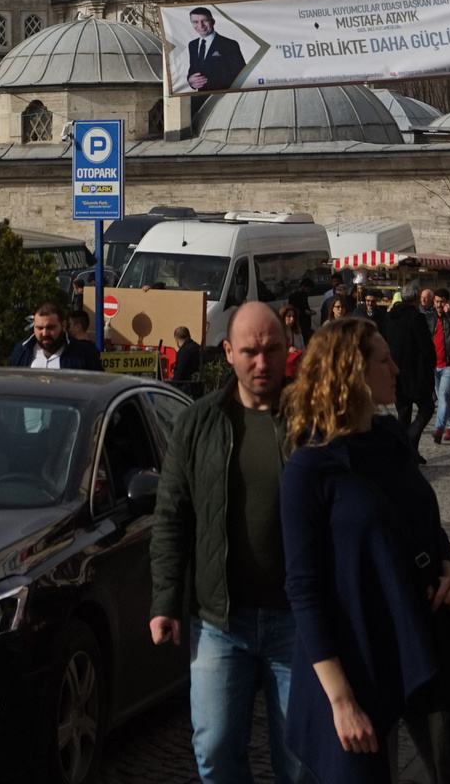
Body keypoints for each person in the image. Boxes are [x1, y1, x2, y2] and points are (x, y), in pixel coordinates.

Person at [281, 316, 450, 784]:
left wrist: (449, 570)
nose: (397, 370)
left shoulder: (391, 440)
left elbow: (424, 524)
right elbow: (305, 590)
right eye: (384, 360)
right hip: (354, 654)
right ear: (352, 372)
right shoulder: (309, 469)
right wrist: (341, 701)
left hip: (420, 636)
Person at [151, 303, 300, 784]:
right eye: (251, 352)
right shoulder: (198, 423)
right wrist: (165, 601)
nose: (262, 363)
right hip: (219, 620)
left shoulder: (311, 423)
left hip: (296, 620)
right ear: (229, 353)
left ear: (287, 350)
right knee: (214, 750)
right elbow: (172, 515)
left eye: (272, 350)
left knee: (300, 759)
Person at [382, 291, 436, 459]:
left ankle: (409, 453)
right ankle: (409, 442)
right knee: (427, 408)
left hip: (395, 372)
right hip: (416, 373)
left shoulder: (389, 318)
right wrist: (431, 364)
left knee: (403, 414)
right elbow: (426, 346)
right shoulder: (416, 318)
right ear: (416, 299)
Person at [9, 301, 102, 370]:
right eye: (39, 328)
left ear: (63, 325)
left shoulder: (84, 355)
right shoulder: (21, 352)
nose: (45, 333)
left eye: (50, 327)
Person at [427, 290, 450, 445]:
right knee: (444, 398)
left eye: (442, 301)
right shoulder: (430, 319)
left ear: (448, 302)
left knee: (443, 395)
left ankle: (438, 429)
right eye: (436, 301)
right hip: (434, 365)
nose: (439, 305)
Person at [183, 7, 246, 92]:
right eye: (195, 22)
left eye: (204, 20)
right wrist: (190, 80)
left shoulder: (229, 44)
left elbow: (241, 76)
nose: (200, 25)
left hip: (223, 97)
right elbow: (193, 70)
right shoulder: (192, 45)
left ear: (213, 22)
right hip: (200, 98)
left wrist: (210, 81)